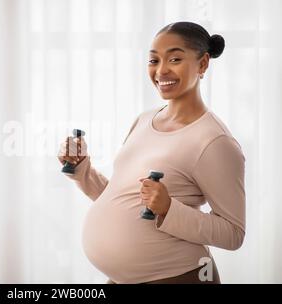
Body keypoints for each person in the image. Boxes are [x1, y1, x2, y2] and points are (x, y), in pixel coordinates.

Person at [57, 21, 245, 284]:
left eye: (175, 59)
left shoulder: (215, 142)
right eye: (153, 60)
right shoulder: (144, 120)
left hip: (179, 276)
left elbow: (233, 233)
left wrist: (169, 209)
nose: (161, 70)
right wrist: (82, 171)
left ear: (202, 64)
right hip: (125, 278)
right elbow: (125, 198)